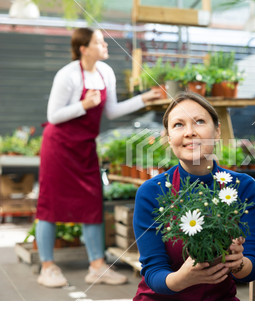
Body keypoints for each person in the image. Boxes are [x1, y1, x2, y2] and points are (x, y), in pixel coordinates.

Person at [35, 27, 161, 288]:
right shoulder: (67, 75)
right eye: (99, 41)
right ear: (83, 48)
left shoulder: (106, 72)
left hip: (84, 148)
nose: (105, 45)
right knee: (50, 203)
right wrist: (83, 105)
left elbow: (112, 111)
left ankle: (97, 267)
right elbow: (53, 116)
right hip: (58, 147)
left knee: (92, 201)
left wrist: (143, 99)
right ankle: (47, 267)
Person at [133, 92, 255, 301]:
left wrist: (238, 262)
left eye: (199, 122)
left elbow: (252, 267)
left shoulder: (243, 187)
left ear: (217, 131)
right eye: (178, 125)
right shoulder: (151, 192)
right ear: (167, 138)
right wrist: (182, 279)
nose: (190, 132)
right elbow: (153, 272)